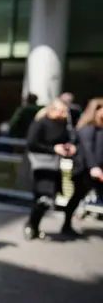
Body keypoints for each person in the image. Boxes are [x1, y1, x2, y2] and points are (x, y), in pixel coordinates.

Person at [25, 99, 75, 240]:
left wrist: (68, 147)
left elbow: (68, 139)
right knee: (42, 197)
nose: (64, 114)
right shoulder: (41, 122)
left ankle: (34, 224)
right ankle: (32, 225)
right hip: (39, 164)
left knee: (47, 199)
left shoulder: (64, 125)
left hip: (53, 165)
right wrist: (53, 149)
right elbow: (31, 143)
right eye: (61, 111)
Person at [64, 98, 103, 236]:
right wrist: (93, 167)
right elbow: (88, 150)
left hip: (97, 170)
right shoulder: (87, 129)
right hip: (85, 170)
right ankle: (66, 224)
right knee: (77, 197)